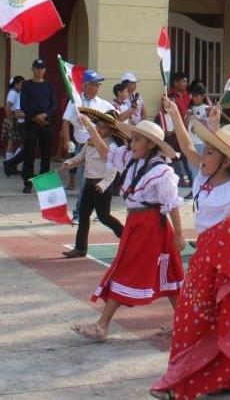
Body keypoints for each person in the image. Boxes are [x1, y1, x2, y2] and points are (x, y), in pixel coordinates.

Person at [150, 98, 230, 400]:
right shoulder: (202, 178)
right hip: (202, 259)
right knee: (193, 317)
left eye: (209, 152)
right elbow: (186, 147)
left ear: (225, 160)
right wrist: (174, 114)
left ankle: (213, 377)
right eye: (206, 150)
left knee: (217, 317)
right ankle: (186, 375)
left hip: (224, 260)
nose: (202, 155)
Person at [73, 117, 184, 342]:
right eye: (132, 139)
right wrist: (91, 128)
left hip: (151, 225)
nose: (131, 144)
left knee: (131, 268)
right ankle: (183, 322)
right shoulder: (132, 160)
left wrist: (180, 234)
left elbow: (171, 204)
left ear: (151, 144)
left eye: (138, 140)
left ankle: (102, 325)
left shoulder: (160, 170)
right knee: (168, 271)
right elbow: (106, 152)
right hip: (138, 224)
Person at [61, 108, 126, 258]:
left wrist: (103, 184)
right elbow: (81, 157)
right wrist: (69, 163)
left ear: (111, 130)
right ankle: (80, 248)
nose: (99, 129)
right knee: (83, 215)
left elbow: (112, 169)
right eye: (98, 126)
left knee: (104, 217)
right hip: (89, 184)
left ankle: (125, 236)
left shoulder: (112, 147)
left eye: (103, 127)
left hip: (102, 186)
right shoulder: (89, 143)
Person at [62, 70, 113, 191]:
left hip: (95, 147)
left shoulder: (103, 104)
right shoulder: (75, 102)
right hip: (80, 145)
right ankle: (82, 207)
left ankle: (81, 207)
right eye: (95, 84)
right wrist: (67, 141)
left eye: (98, 85)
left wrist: (131, 111)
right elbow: (65, 121)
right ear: (85, 85)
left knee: (88, 179)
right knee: (83, 177)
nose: (98, 87)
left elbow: (117, 118)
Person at [19, 58, 55, 193]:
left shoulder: (49, 85)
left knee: (46, 154)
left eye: (42, 68)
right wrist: (35, 117)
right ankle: (27, 183)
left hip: (46, 123)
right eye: (37, 68)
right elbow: (23, 104)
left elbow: (53, 104)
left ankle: (44, 182)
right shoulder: (27, 85)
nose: (40, 71)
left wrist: (44, 115)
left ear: (45, 70)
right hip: (31, 123)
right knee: (29, 154)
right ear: (33, 69)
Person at [2, 76, 24, 177]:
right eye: (21, 84)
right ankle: (10, 163)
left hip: (16, 117)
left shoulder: (18, 93)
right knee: (11, 142)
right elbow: (7, 107)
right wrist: (10, 119)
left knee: (16, 142)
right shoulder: (12, 93)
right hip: (13, 118)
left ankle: (11, 163)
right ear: (16, 84)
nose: (22, 86)